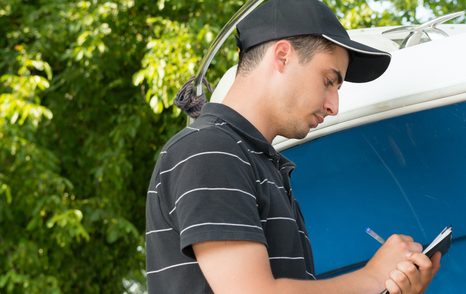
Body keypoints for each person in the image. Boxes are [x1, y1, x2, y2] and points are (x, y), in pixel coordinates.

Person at [145, 0, 441, 293]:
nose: (333, 106)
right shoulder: (209, 150)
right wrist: (373, 278)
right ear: (283, 56)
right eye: (328, 81)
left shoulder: (259, 165)